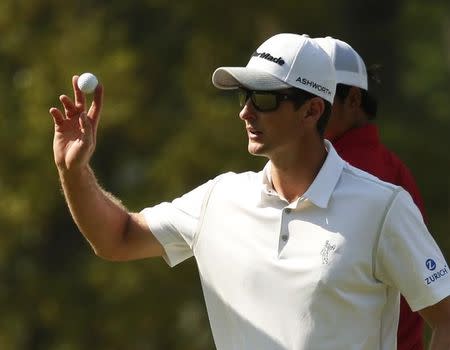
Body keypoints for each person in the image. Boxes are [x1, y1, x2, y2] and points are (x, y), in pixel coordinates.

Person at [49, 33, 450, 350]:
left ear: (312, 111)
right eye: (244, 96)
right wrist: (74, 170)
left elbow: (445, 318)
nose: (245, 111)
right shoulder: (218, 200)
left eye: (263, 98)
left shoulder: (383, 206)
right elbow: (115, 239)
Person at [315, 36, 427, 350]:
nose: (305, 108)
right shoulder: (341, 164)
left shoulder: (363, 174)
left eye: (318, 95)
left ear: (352, 99)